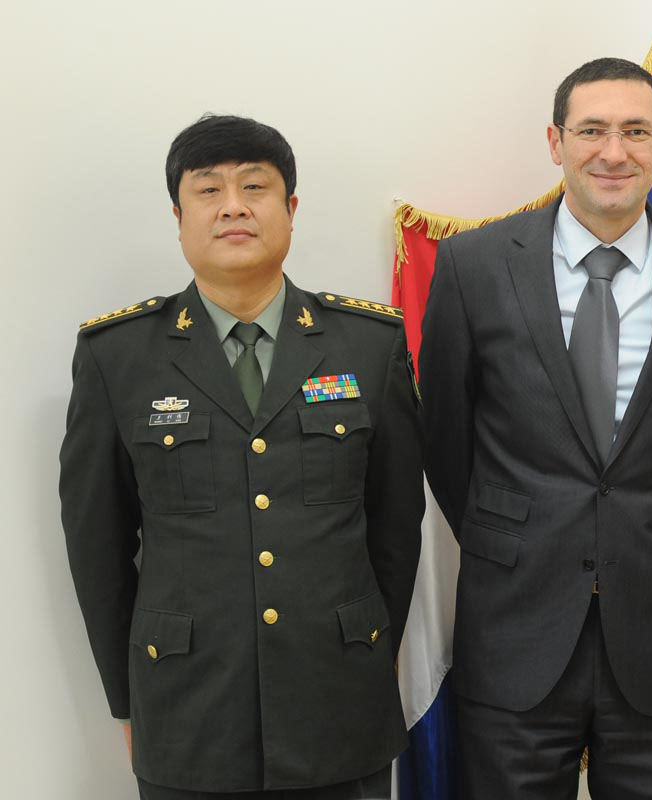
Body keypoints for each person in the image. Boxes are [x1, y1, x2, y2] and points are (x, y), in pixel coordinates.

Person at [419, 57, 652, 799]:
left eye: (636, 132)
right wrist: (520, 533)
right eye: (592, 131)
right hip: (515, 625)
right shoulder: (474, 265)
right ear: (556, 141)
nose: (614, 152)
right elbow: (446, 440)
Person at [59, 114, 423, 800]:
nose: (233, 206)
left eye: (255, 187)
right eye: (209, 190)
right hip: (187, 709)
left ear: (291, 209)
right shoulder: (119, 356)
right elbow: (96, 545)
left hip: (340, 703)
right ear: (179, 218)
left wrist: (370, 654)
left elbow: (397, 528)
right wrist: (130, 700)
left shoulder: (369, 346)